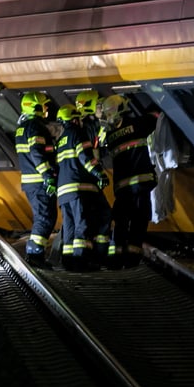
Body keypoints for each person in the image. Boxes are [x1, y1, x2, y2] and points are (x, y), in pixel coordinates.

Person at [100, 94, 158, 268]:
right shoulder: (140, 124)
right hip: (140, 184)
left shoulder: (110, 136)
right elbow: (155, 117)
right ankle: (132, 260)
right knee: (139, 222)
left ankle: (115, 259)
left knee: (121, 222)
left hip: (122, 188)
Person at [55, 104, 112, 271]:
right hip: (79, 188)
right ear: (74, 119)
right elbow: (85, 158)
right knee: (83, 224)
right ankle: (81, 261)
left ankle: (68, 261)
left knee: (70, 226)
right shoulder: (78, 133)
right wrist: (99, 174)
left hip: (64, 191)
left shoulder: (61, 140)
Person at [15, 92, 59, 269]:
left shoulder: (22, 127)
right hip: (39, 182)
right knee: (45, 218)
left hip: (32, 183)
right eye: (44, 105)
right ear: (36, 107)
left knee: (45, 217)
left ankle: (35, 253)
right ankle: (34, 255)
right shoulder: (35, 127)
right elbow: (37, 154)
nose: (47, 108)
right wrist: (48, 176)